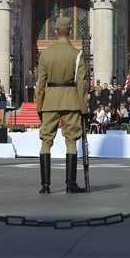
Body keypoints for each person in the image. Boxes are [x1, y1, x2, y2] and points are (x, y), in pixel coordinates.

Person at [35, 16, 88, 194]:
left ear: (55, 31)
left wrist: (39, 106)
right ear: (70, 31)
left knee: (46, 141)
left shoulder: (45, 54)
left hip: (50, 100)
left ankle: (45, 185)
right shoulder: (76, 54)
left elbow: (40, 84)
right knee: (71, 141)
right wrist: (83, 108)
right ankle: (70, 184)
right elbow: (81, 84)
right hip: (71, 101)